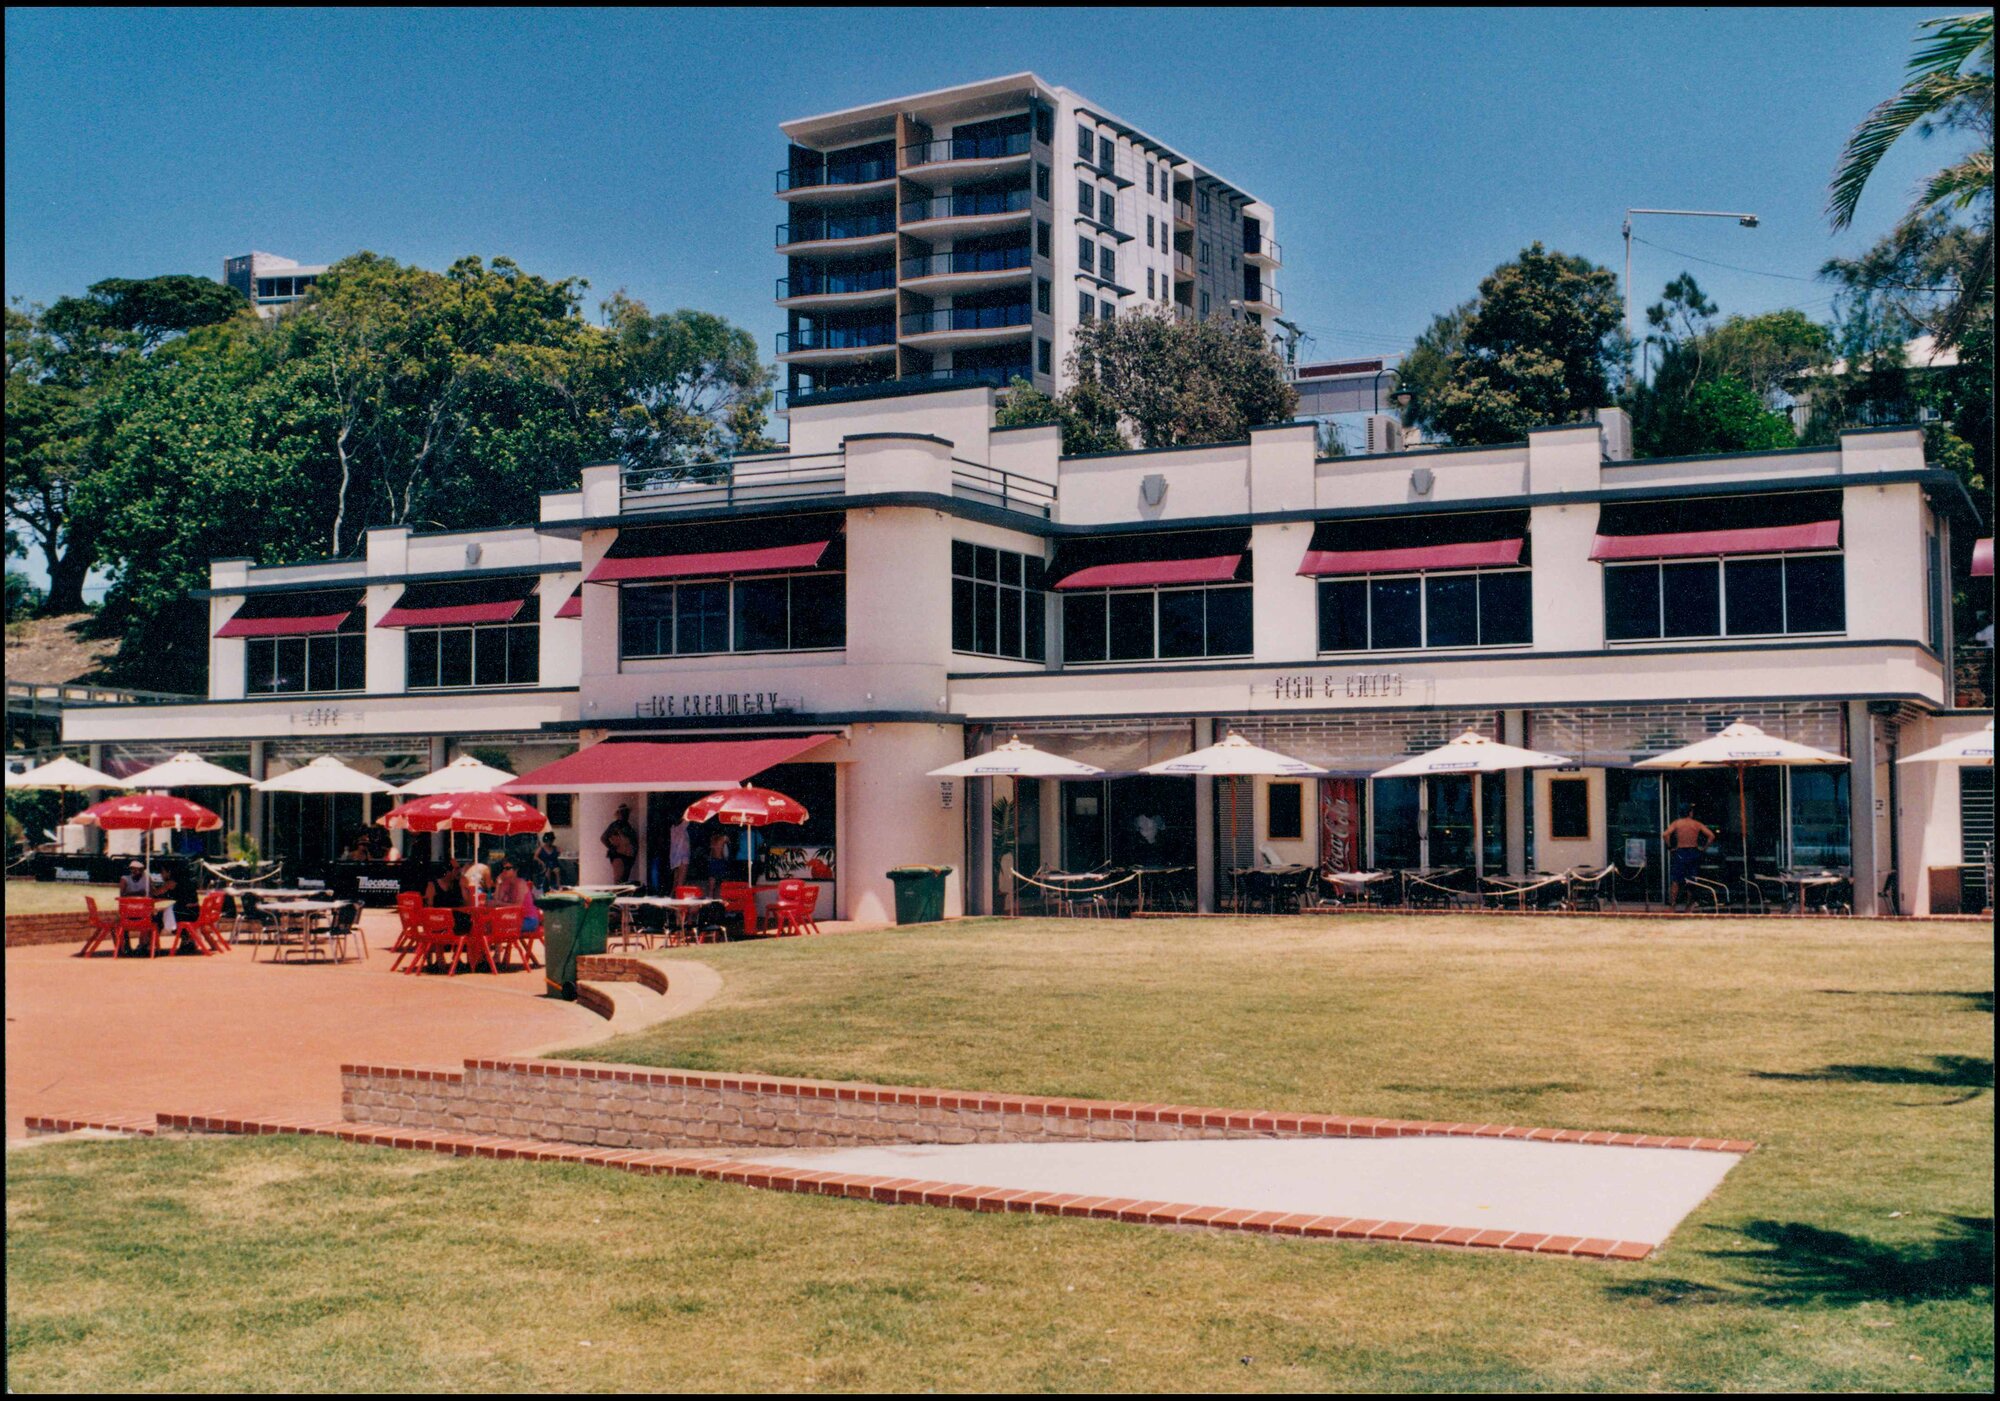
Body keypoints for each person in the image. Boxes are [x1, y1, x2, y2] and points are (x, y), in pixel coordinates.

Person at [1662, 802, 1719, 910]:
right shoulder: (1696, 824)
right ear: (1690, 812)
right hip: (1693, 852)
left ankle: (1672, 905)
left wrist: (1670, 847)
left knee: (1675, 880)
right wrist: (1704, 848)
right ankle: (1688, 906)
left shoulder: (1677, 823)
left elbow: (1665, 834)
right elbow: (1711, 836)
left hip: (1680, 852)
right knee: (1691, 880)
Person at [492, 858, 541, 934]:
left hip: (529, 919)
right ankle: (497, 946)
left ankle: (497, 946)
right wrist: (498, 883)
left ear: (515, 870)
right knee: (493, 924)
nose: (504, 871)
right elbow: (496, 902)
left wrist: (498, 903)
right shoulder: (505, 884)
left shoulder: (520, 883)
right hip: (514, 918)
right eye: (503, 868)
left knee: (498, 925)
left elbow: (518, 906)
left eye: (507, 868)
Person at [601, 804, 638, 886]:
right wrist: (612, 847)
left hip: (628, 856)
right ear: (620, 813)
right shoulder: (615, 825)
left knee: (624, 881)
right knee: (619, 880)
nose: (626, 814)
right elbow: (603, 838)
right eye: (623, 812)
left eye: (626, 812)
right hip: (619, 856)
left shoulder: (628, 826)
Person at [669, 817, 692, 892]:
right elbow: (688, 819)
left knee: (675, 883)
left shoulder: (673, 828)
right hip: (683, 858)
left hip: (675, 859)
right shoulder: (681, 828)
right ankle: (677, 902)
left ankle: (672, 899)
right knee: (680, 883)